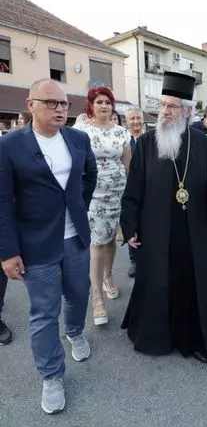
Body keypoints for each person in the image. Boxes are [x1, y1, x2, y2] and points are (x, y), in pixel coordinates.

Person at [0, 79, 97, 414]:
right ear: (31, 105)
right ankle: (51, 375)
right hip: (35, 244)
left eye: (64, 104)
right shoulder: (9, 145)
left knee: (80, 293)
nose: (60, 109)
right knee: (44, 312)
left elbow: (89, 176)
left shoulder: (78, 138)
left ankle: (75, 332)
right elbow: (1, 202)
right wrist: (7, 252)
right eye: (51, 103)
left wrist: (78, 207)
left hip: (75, 238)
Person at [121, 71, 207, 363]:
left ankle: (190, 340)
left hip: (192, 229)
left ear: (187, 111)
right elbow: (133, 189)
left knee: (188, 283)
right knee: (157, 282)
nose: (164, 111)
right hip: (154, 228)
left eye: (171, 106)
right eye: (162, 105)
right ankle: (156, 336)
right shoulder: (146, 142)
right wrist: (130, 226)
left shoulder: (204, 144)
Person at [74, 87, 131, 325]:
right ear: (91, 105)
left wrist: (130, 195)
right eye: (99, 102)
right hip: (94, 195)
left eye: (108, 102)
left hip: (118, 194)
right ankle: (97, 298)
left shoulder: (121, 132)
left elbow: (127, 164)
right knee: (97, 243)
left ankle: (108, 277)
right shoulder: (81, 130)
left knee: (109, 240)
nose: (104, 106)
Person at [125, 106, 144, 278]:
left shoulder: (150, 139)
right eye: (132, 118)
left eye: (138, 118)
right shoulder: (123, 140)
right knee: (131, 222)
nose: (136, 121)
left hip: (147, 188)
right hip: (128, 187)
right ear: (127, 121)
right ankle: (134, 260)